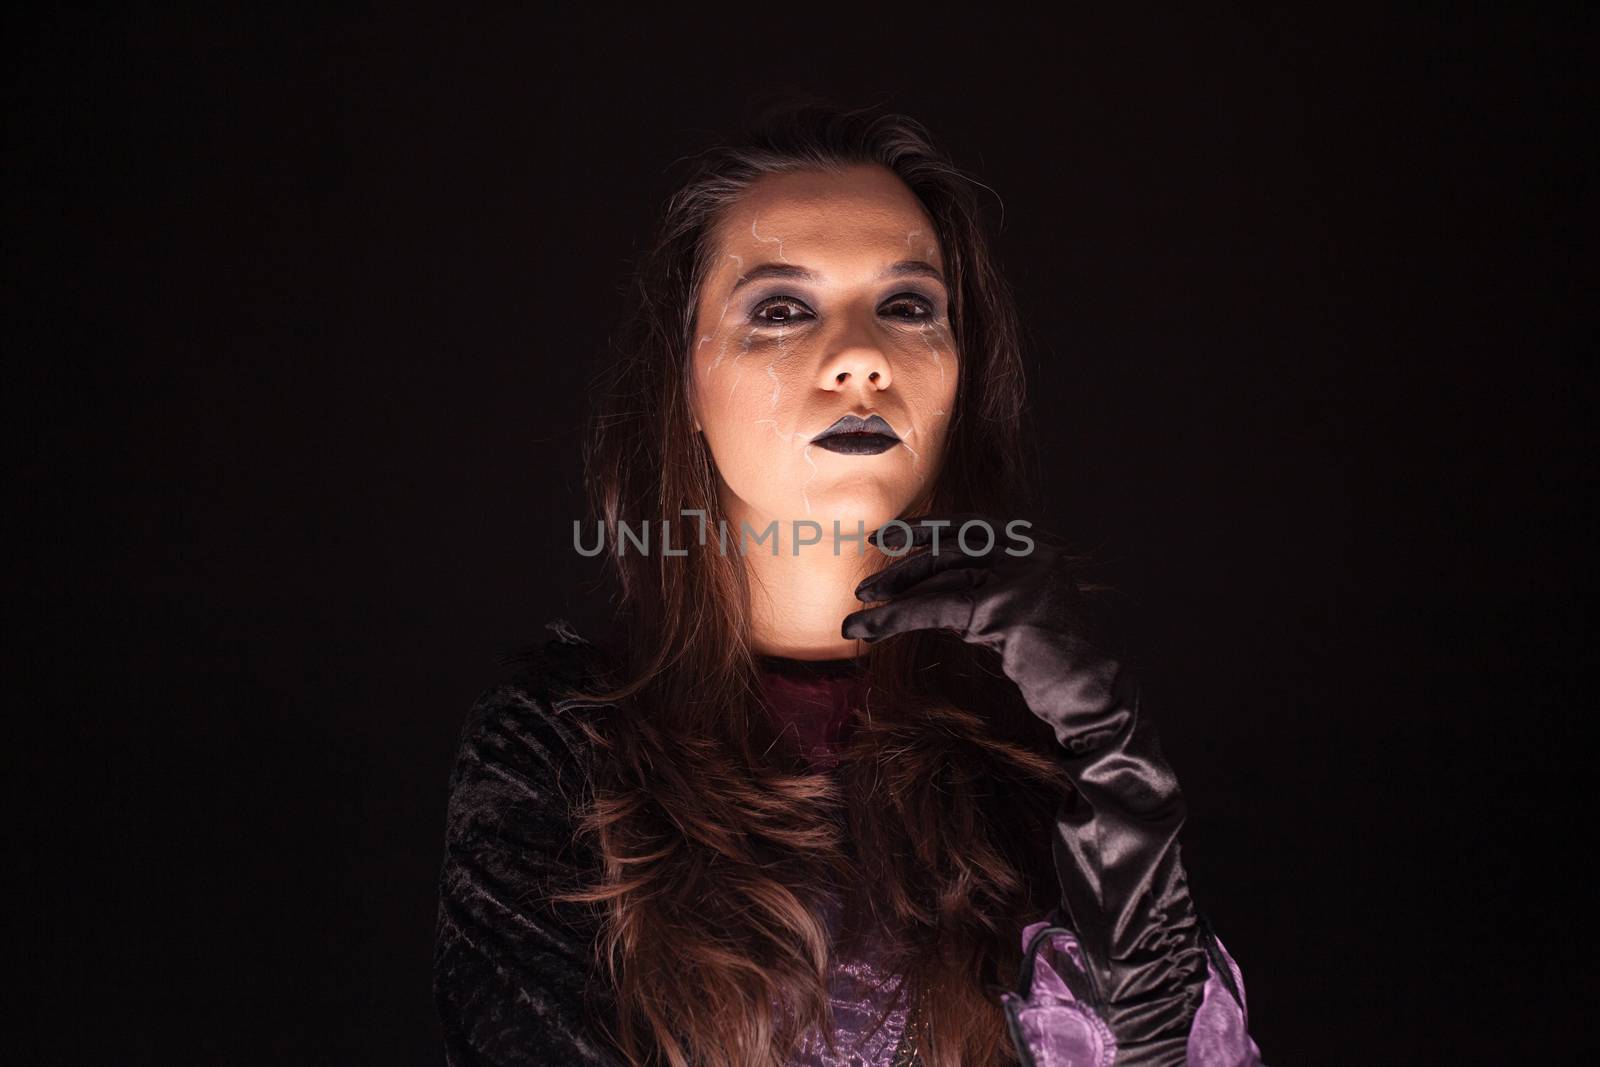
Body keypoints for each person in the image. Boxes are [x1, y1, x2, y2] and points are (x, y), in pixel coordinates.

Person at [432, 100, 1268, 1067]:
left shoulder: (1036, 745)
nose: (863, 357)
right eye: (781, 309)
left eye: (908, 306)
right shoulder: (558, 744)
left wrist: (1113, 758)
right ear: (687, 379)